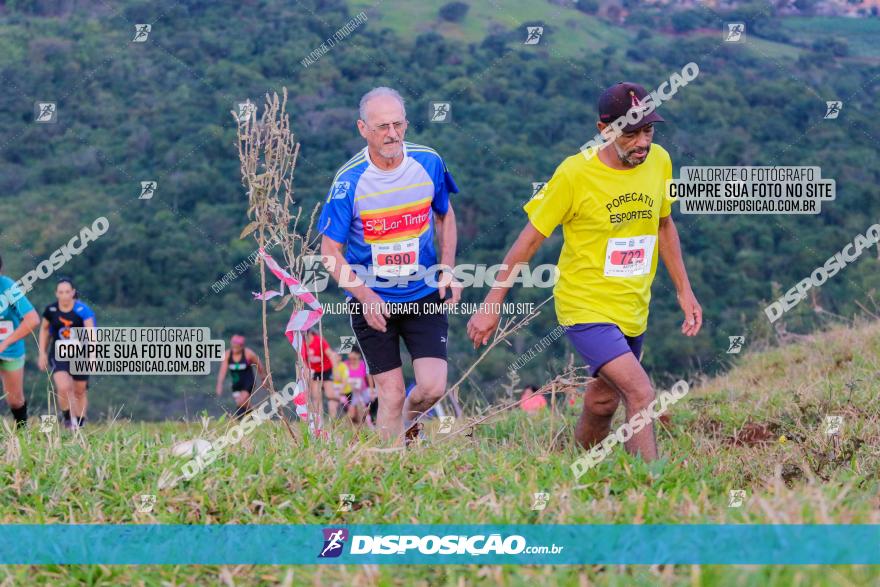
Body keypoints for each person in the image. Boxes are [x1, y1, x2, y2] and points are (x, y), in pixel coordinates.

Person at [468, 81, 702, 463]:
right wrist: (492, 301)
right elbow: (528, 241)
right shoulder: (574, 175)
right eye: (631, 133)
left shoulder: (658, 160)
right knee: (640, 392)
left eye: (648, 130)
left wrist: (684, 290)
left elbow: (664, 225)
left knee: (603, 398)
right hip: (585, 306)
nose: (642, 142)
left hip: (632, 306)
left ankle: (580, 470)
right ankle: (649, 489)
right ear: (604, 130)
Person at [318, 86, 461, 444]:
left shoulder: (429, 162)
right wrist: (364, 296)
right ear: (362, 128)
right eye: (382, 126)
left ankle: (407, 426)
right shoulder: (349, 181)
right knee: (392, 393)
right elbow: (329, 253)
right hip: (373, 301)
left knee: (431, 388)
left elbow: (444, 214)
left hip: (424, 292)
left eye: (398, 124)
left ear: (407, 124)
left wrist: (447, 267)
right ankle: (388, 466)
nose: (392, 134)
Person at [38, 277, 96, 429]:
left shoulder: (83, 310)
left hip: (80, 354)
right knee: (63, 387)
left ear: (73, 293)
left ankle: (80, 424)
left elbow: (91, 335)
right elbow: (44, 330)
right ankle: (68, 421)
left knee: (79, 391)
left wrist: (93, 356)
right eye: (61, 292)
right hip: (58, 353)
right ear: (56, 293)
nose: (64, 295)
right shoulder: (50, 310)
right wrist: (42, 353)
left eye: (67, 292)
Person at [0, 256, 40, 429]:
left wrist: (5, 343)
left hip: (11, 349)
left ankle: (23, 432)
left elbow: (32, 319)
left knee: (15, 400)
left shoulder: (8, 286)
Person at [215, 334, 265, 419]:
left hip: (248, 382)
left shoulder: (248, 354)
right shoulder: (227, 355)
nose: (234, 349)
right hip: (236, 383)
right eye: (233, 347)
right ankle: (256, 416)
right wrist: (219, 384)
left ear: (241, 347)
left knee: (241, 401)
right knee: (243, 403)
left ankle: (240, 417)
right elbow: (222, 371)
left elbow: (259, 365)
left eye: (236, 347)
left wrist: (263, 378)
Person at [301, 328, 338, 425]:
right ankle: (318, 420)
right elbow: (303, 362)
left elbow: (331, 355)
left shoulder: (319, 341)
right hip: (314, 372)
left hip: (326, 369)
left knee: (330, 395)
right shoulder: (303, 345)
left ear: (309, 334)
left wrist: (336, 371)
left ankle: (332, 420)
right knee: (316, 396)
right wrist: (306, 375)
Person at [343, 349, 371, 425]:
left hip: (361, 392)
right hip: (349, 393)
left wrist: (371, 389)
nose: (352, 361)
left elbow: (369, 377)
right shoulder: (345, 365)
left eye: (354, 358)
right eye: (350, 359)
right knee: (353, 411)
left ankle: (365, 425)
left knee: (359, 409)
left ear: (358, 355)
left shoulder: (363, 365)